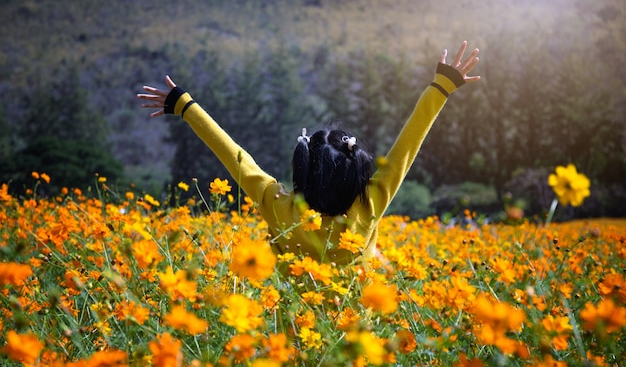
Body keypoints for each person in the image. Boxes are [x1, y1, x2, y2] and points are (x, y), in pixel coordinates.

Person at [138, 41, 480, 265]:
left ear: (301, 170)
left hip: (293, 357)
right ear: (360, 173)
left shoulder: (281, 210)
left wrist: (186, 107)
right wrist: (441, 87)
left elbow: (237, 159)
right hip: (361, 351)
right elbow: (406, 148)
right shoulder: (369, 206)